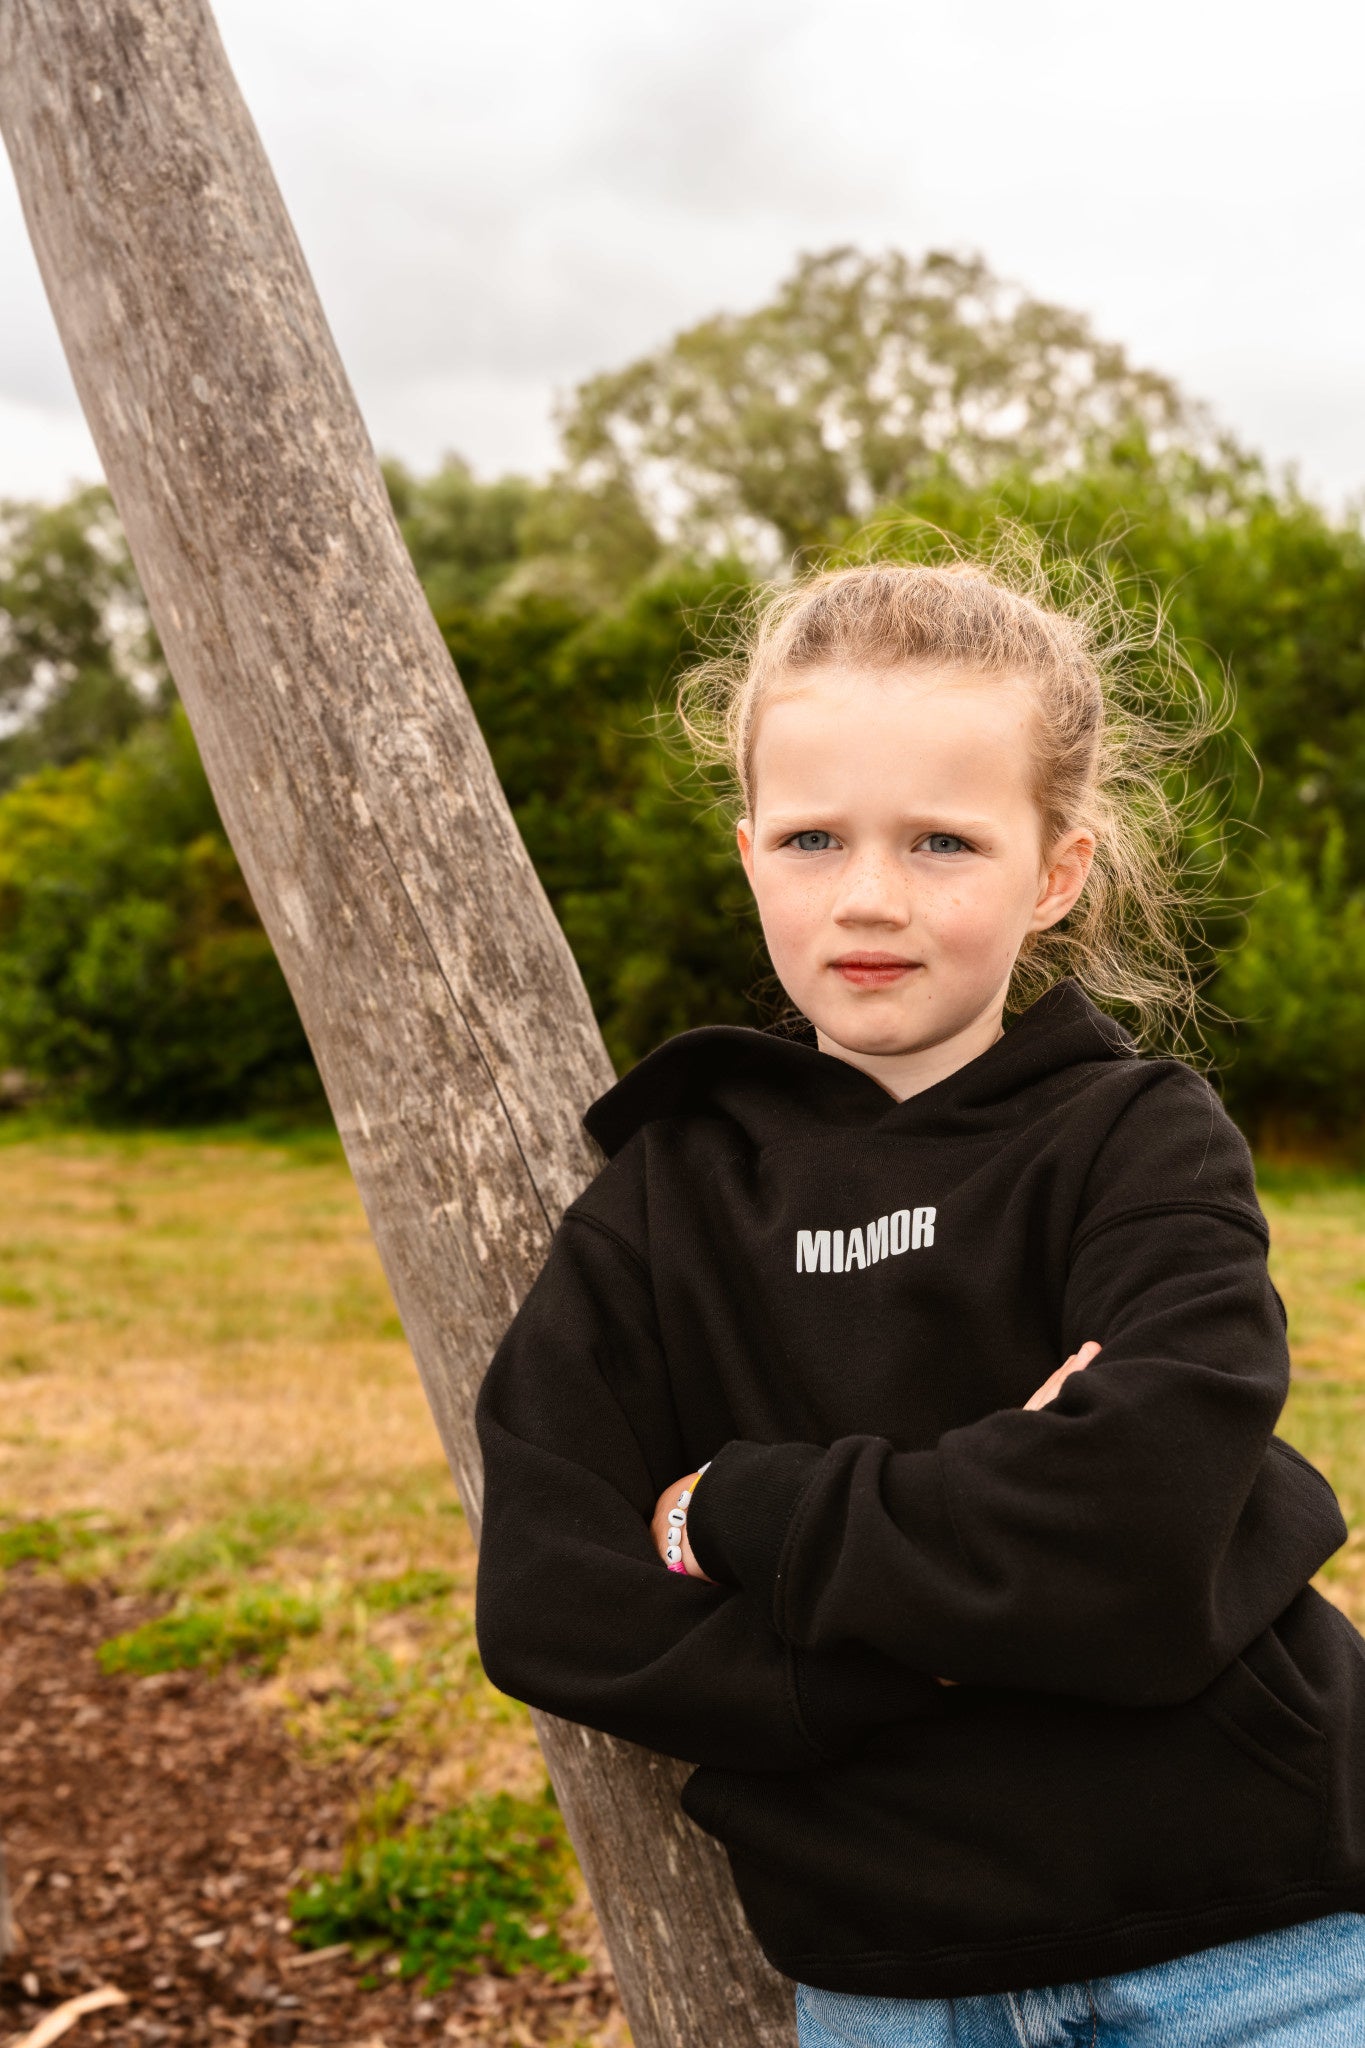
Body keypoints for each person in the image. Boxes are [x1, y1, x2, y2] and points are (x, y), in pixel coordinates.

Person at [473, 555, 1365, 2046]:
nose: (870, 898)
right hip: (887, 1978)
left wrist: (736, 1514)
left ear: (1055, 870)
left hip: (1257, 1935)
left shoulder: (1137, 1137)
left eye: (943, 841)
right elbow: (553, 1602)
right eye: (816, 838)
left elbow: (1135, 1510)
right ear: (748, 851)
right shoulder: (664, 1196)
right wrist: (943, 1623)